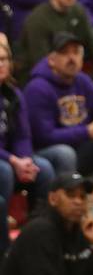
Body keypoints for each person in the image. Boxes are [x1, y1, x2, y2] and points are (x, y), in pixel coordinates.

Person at [24, 32, 93, 175]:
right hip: (52, 151)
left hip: (82, 144)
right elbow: (44, 136)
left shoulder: (82, 80)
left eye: (76, 52)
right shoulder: (37, 88)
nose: (72, 58)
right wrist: (88, 132)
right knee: (65, 153)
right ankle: (70, 193)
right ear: (51, 59)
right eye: (64, 53)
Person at [0, 40, 55, 252]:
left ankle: (37, 235)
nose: (1, 64)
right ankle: (4, 245)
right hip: (5, 162)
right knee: (4, 172)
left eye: (4, 59)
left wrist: (25, 160)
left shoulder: (13, 94)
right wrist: (13, 161)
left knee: (45, 168)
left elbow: (23, 135)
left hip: (11, 159)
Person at [16, 0, 93, 83]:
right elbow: (40, 62)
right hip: (36, 79)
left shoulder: (78, 10)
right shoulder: (37, 19)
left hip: (70, 70)